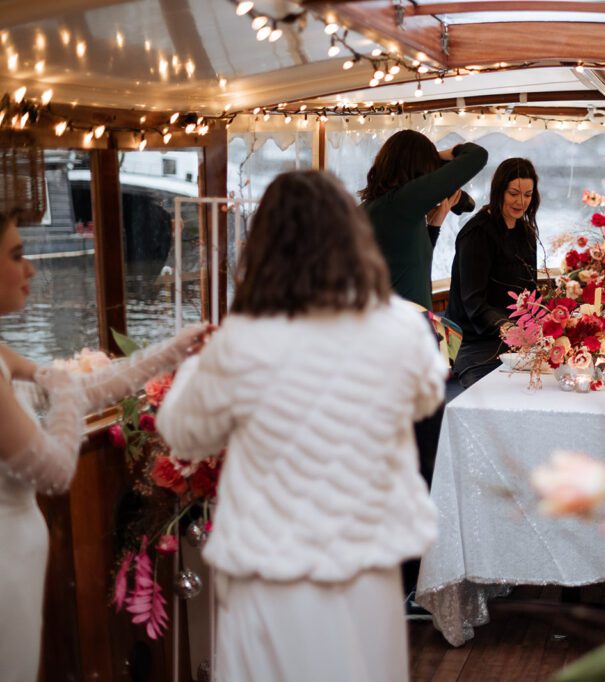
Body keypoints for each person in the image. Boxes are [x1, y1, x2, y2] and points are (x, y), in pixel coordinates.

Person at [157, 171, 446, 682]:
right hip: (366, 565)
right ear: (353, 239)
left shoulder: (244, 340)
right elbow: (426, 395)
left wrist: (202, 357)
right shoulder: (402, 327)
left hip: (270, 573)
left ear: (264, 248)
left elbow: (182, 433)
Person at [0, 208, 205, 682]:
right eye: (16, 256)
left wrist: (175, 348)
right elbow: (53, 469)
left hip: (20, 554)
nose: (30, 268)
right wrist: (69, 391)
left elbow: (80, 389)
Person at [360, 129, 488, 310]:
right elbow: (477, 155)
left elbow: (412, 265)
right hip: (401, 328)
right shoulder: (402, 201)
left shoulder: (379, 208)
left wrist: (433, 228)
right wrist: (441, 155)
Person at [447, 158, 540, 387]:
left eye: (527, 194)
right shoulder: (477, 234)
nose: (521, 202)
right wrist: (507, 327)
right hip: (473, 341)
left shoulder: (525, 233)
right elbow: (473, 302)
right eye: (514, 193)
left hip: (516, 339)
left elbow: (530, 293)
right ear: (499, 191)